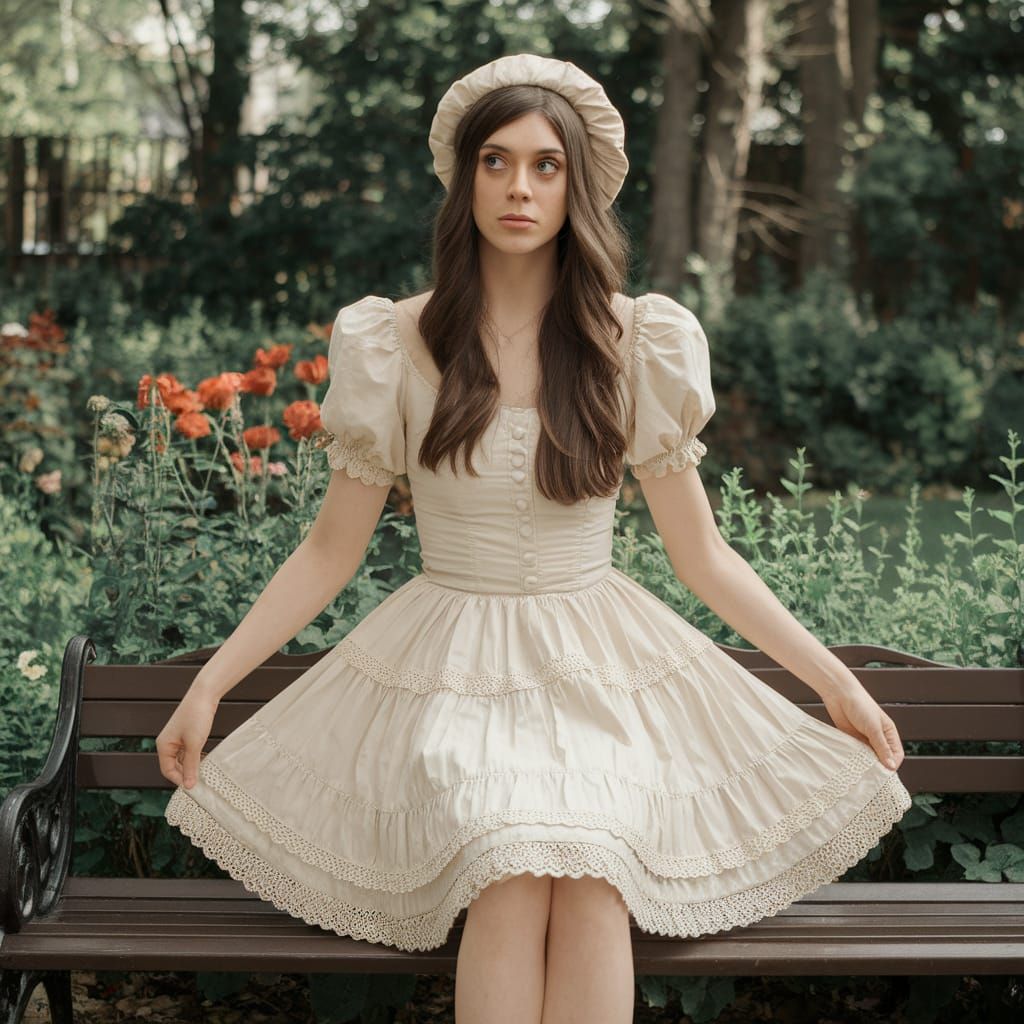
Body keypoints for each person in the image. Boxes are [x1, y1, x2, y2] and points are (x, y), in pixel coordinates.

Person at [157, 53, 911, 1024]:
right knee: (508, 856)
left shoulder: (632, 342)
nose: (520, 187)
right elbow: (326, 552)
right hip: (452, 666)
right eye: (498, 162)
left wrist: (836, 682)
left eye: (547, 165)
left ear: (576, 185)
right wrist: (210, 681)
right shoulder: (396, 342)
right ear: (464, 176)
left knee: (591, 868)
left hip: (600, 669)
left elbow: (703, 556)